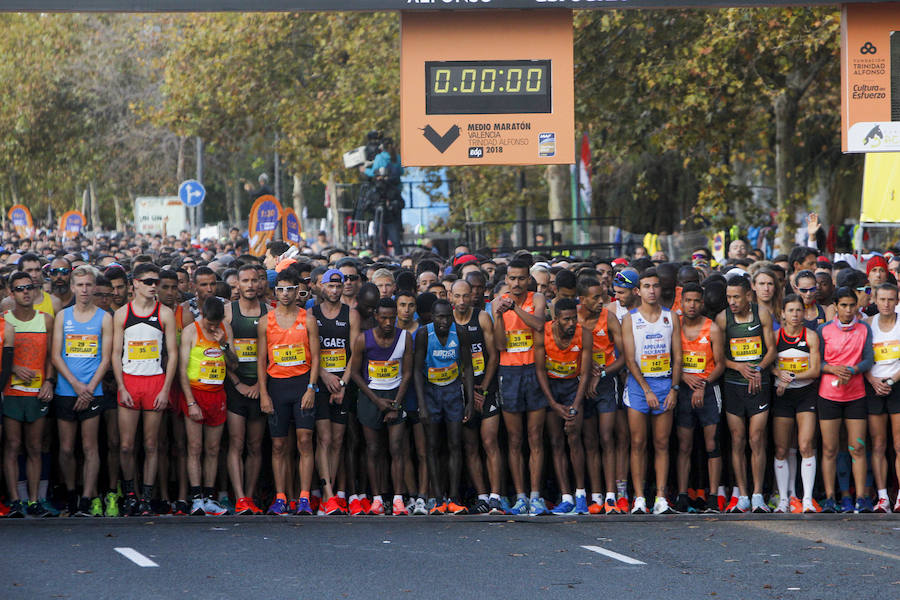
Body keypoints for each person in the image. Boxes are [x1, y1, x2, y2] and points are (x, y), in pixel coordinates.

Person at [112, 263, 179, 516]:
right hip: (129, 381)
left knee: (152, 445)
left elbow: (171, 355)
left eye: (156, 282)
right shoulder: (122, 314)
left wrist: (165, 389)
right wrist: (120, 385)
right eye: (149, 282)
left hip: (154, 382)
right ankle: (130, 494)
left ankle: (147, 498)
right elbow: (116, 354)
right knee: (127, 445)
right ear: (135, 284)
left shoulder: (165, 313)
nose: (154, 286)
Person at [51, 265, 113, 517]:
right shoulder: (63, 317)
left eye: (89, 285)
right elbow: (55, 355)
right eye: (81, 285)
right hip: (67, 389)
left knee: (90, 447)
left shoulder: (104, 317)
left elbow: (106, 359)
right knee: (66, 448)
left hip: (93, 390)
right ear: (73, 287)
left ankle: (87, 497)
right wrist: (76, 386)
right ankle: (71, 492)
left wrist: (88, 388)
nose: (85, 290)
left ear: (94, 287)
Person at [257, 268, 319, 515]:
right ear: (275, 292)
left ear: (297, 291)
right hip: (276, 386)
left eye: (289, 289)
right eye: (280, 289)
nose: (285, 294)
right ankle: (281, 497)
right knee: (278, 446)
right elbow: (261, 360)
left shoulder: (308, 319)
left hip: (302, 384)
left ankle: (304, 498)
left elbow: (316, 358)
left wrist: (312, 388)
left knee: (305, 441)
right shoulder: (266, 321)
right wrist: (263, 393)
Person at [621, 268, 682, 514]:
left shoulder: (671, 316)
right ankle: (638, 498)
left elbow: (678, 357)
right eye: (646, 286)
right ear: (638, 290)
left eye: (655, 286)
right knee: (638, 442)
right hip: (639, 386)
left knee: (662, 443)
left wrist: (674, 389)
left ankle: (660, 497)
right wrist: (646, 390)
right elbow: (629, 359)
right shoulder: (630, 319)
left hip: (665, 382)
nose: (652, 290)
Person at [715, 274, 776, 513]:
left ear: (748, 296)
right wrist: (738, 366)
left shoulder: (761, 314)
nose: (732, 302)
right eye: (729, 297)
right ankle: (742, 494)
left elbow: (771, 350)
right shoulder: (722, 319)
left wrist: (759, 369)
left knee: (757, 438)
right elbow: (720, 358)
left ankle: (758, 493)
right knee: (738, 440)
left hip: (759, 384)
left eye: (736, 297)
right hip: (733, 385)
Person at [493, 259, 549, 516]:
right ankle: (520, 496)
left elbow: (539, 324)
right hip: (510, 371)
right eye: (512, 279)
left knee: (535, 436)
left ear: (528, 279)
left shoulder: (536, 298)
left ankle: (536, 495)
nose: (516, 283)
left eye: (521, 279)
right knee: (514, 439)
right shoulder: (498, 301)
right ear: (506, 279)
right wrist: (498, 315)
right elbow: (500, 345)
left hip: (534, 370)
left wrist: (515, 309)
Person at [348, 297, 413, 516]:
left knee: (396, 448)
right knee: (373, 449)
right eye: (383, 318)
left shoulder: (405, 337)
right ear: (376, 317)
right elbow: (355, 373)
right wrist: (377, 402)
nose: (388, 322)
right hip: (370, 397)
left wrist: (396, 404)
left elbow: (408, 373)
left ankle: (397, 499)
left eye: (391, 318)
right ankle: (376, 499)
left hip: (396, 395)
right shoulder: (362, 339)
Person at [414, 299, 474, 515]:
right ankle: (438, 499)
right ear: (432, 316)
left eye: (448, 316)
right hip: (431, 392)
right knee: (432, 446)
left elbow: (467, 366)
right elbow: (416, 371)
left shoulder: (461, 332)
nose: (444, 321)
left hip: (452, 392)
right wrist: (421, 405)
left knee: (455, 445)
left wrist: (469, 402)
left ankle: (454, 498)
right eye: (440, 316)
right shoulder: (423, 334)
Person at [817, 287, 874, 514]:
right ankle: (831, 498)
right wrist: (832, 368)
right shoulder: (824, 330)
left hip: (856, 395)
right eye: (844, 305)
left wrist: (853, 369)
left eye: (852, 305)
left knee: (857, 448)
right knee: (830, 449)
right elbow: (817, 362)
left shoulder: (864, 329)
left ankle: (862, 498)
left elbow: (869, 359)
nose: (848, 310)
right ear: (836, 306)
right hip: (828, 396)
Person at [180, 297, 238, 516]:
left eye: (217, 323)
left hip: (217, 394)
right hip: (196, 392)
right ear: (202, 316)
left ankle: (210, 497)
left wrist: (223, 344)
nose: (213, 327)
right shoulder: (191, 331)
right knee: (195, 448)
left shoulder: (225, 329)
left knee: (213, 449)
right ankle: (196, 498)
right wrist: (190, 401)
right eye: (209, 323)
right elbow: (182, 370)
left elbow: (234, 365)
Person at [3, 272, 54, 517]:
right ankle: (15, 501)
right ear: (11, 293)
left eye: (29, 287)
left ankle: (34, 501)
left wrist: (50, 382)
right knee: (13, 446)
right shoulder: (4, 321)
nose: (25, 292)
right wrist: (12, 367)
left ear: (35, 291)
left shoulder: (46, 320)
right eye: (20, 288)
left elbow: (52, 357)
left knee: (34, 446)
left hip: (37, 393)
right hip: (11, 391)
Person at [534, 297, 592, 514]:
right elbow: (540, 370)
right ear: (556, 319)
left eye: (574, 319)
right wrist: (553, 404)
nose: (571, 324)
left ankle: (580, 495)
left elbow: (585, 374)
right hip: (551, 387)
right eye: (566, 320)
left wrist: (575, 407)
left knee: (574, 438)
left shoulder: (584, 334)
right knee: (557, 441)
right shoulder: (543, 333)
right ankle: (566, 496)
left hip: (573, 387)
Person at [310, 269, 359, 515]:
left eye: (338, 286)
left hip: (341, 384)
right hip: (320, 382)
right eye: (330, 286)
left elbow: (354, 354)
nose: (335, 290)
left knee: (338, 440)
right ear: (322, 287)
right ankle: (325, 492)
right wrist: (324, 376)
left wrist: (342, 384)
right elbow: (310, 352)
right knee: (324, 439)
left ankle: (328, 490)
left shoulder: (351, 314)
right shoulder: (312, 314)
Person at [673, 283, 725, 514]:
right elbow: (671, 358)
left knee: (711, 443)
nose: (692, 305)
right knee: (684, 444)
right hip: (683, 389)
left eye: (696, 301)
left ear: (701, 303)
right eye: (688, 301)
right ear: (681, 302)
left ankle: (713, 496)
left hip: (707, 389)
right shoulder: (675, 326)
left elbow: (721, 363)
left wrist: (703, 384)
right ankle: (683, 495)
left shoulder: (711, 328)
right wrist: (683, 376)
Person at [451, 279, 502, 514]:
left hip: (486, 386)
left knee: (490, 441)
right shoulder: (447, 320)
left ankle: (495, 495)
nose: (462, 301)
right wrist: (469, 390)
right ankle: (481, 496)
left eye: (465, 296)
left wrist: (482, 388)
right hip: (461, 389)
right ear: (451, 297)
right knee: (470, 445)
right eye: (457, 296)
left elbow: (493, 355)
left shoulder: (481, 317)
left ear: (472, 295)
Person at [576, 277, 625, 514]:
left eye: (602, 296)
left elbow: (624, 357)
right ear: (582, 299)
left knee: (607, 437)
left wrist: (602, 373)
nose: (600, 301)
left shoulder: (609, 317)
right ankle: (595, 496)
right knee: (589, 441)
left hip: (605, 383)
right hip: (579, 385)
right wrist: (584, 377)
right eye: (595, 297)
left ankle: (611, 496)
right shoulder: (572, 317)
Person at [223, 264, 267, 516]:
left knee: (255, 445)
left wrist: (260, 386)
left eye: (254, 280)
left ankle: (249, 496)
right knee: (236, 443)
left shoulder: (269, 313)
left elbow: (273, 355)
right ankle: (239, 497)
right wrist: (238, 383)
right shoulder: (228, 313)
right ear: (237, 284)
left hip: (259, 388)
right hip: (234, 388)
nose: (250, 285)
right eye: (245, 281)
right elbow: (220, 352)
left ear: (260, 284)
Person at [771, 294, 821, 514]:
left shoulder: (810, 336)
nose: (795, 315)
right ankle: (784, 499)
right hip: (782, 396)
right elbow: (769, 365)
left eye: (799, 310)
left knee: (805, 445)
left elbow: (815, 370)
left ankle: (807, 499)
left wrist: (789, 377)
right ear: (782, 313)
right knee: (782, 448)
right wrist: (779, 375)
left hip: (805, 394)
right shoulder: (774, 337)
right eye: (790, 310)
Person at [863, 283, 900, 513]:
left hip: (896, 384)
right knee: (877, 444)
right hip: (873, 386)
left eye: (890, 299)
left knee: (898, 444)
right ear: (875, 300)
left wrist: (891, 381)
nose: (886, 304)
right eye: (882, 299)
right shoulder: (868, 324)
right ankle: (882, 497)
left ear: (897, 301)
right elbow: (862, 357)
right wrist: (872, 380)